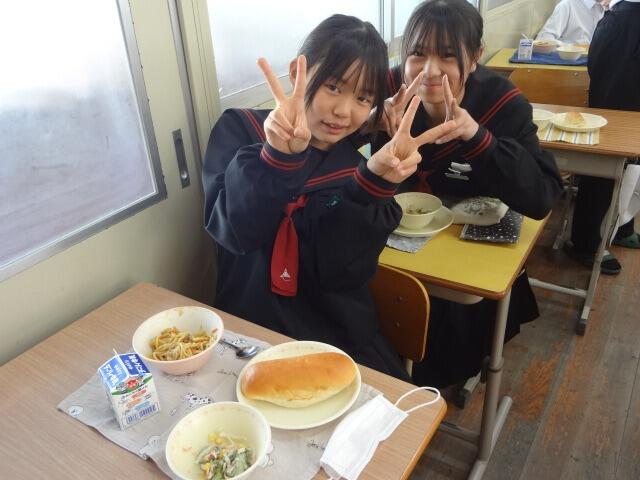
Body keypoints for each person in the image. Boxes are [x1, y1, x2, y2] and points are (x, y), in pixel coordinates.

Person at [202, 14, 456, 381]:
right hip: (246, 331)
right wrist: (277, 159)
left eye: (363, 97)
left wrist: (371, 187)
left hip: (334, 341)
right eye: (333, 87)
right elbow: (234, 232)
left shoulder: (355, 169)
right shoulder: (240, 131)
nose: (343, 111)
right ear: (298, 72)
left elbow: (341, 271)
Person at [372, 0, 563, 387]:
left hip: (466, 252)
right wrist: (368, 123)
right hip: (397, 240)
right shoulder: (388, 91)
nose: (429, 70)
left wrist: (478, 138)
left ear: (475, 57)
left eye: (447, 55)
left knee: (444, 351)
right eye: (417, 53)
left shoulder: (502, 102)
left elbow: (542, 196)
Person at [566, 0, 640, 273]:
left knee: (635, 161)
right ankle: (586, 241)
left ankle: (622, 226)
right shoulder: (619, 21)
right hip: (626, 26)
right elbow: (599, 71)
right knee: (606, 157)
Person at [536, 0, 609, 45]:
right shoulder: (567, 5)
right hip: (570, 63)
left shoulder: (606, 9)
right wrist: (572, 48)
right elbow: (543, 39)